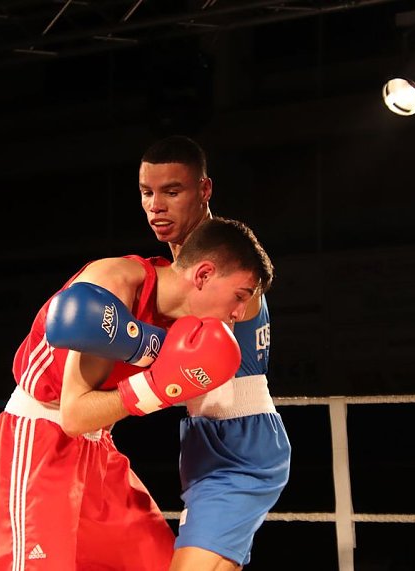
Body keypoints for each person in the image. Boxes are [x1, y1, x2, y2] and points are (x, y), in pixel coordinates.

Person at [0, 216, 275, 570]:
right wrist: (157, 386)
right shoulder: (112, 289)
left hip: (99, 453)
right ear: (203, 275)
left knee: (159, 562)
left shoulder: (185, 324)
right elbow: (73, 416)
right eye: (240, 296)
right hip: (40, 444)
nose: (238, 313)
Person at [138, 135, 292, 570]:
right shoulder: (174, 273)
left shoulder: (229, 263)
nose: (157, 207)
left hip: (242, 443)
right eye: (148, 193)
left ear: (204, 190)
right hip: (203, 444)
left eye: (172, 191)